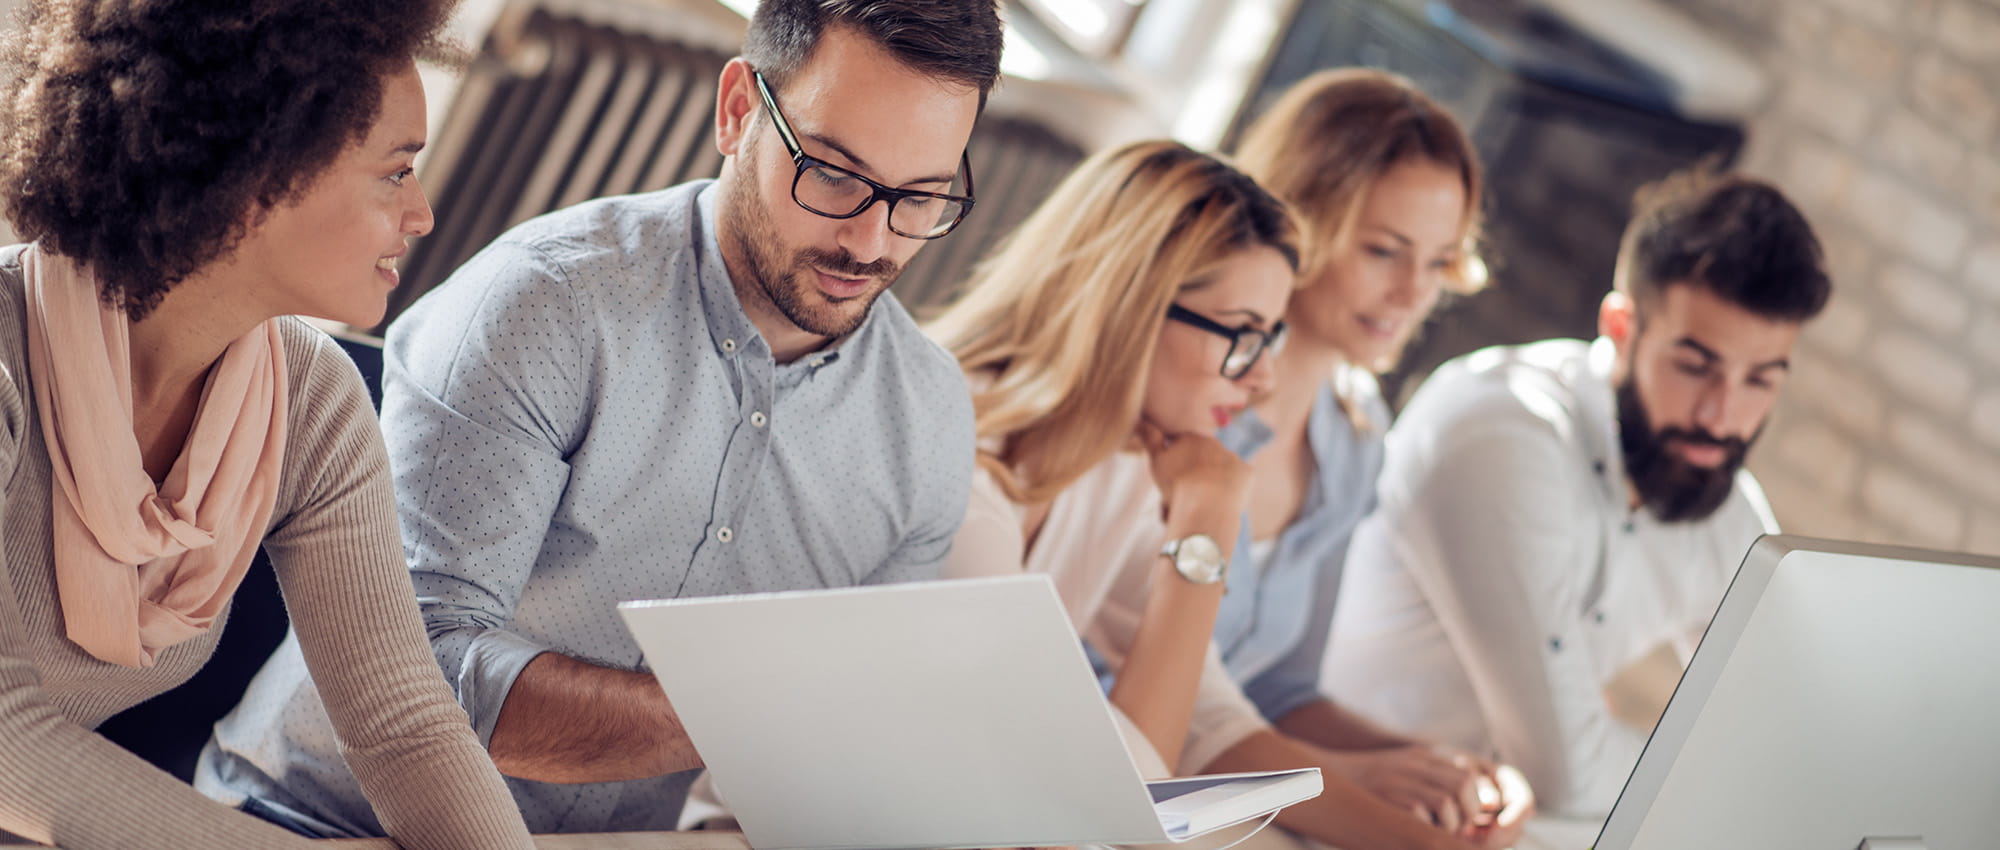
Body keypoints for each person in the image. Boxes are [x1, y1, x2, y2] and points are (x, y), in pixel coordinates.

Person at [198, 0, 1002, 837]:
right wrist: (751, 717)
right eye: (833, 172)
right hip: (318, 822)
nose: (871, 241)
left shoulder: (929, 423)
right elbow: (411, 675)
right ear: (737, 112)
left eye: (921, 196)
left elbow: (852, 718)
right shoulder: (549, 304)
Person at [0, 1, 536, 848]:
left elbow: (400, 723)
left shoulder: (312, 399)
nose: (422, 213)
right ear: (257, 181)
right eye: (396, 171)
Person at [1320, 168, 1829, 838]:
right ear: (1620, 327)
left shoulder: (1726, 509)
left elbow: (1787, 739)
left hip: (1517, 826)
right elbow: (1567, 773)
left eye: (1761, 381)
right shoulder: (1501, 430)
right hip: (1344, 812)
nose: (1721, 417)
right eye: (1695, 365)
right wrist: (1721, 775)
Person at [1182, 69, 1534, 850]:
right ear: (1297, 219)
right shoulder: (1184, 403)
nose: (1414, 291)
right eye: (1384, 251)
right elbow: (1140, 700)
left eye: (1439, 262)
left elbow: (1282, 689)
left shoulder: (1357, 436)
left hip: (1232, 786)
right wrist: (1345, 783)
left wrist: (1432, 767)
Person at [930, 139, 1300, 775]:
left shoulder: (1118, 464)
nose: (1263, 377)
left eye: (1271, 337)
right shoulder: (952, 450)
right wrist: (1207, 517)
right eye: (1242, 334)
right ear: (1131, 307)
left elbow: (1207, 715)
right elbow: (1111, 786)